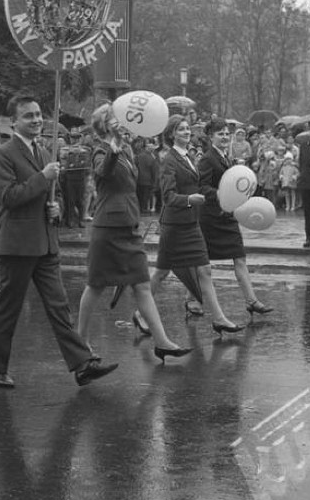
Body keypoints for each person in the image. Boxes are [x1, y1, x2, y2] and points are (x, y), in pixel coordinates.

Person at [0, 94, 118, 388]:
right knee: (9, 308)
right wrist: (44, 179)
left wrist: (55, 208)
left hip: (45, 241)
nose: (36, 120)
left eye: (37, 114)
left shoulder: (44, 152)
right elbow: (8, 197)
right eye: (28, 116)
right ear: (14, 122)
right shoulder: (3, 154)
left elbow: (48, 196)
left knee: (59, 306)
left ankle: (82, 364)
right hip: (17, 244)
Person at [76, 105, 190, 363]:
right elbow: (102, 171)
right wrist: (113, 150)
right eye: (115, 119)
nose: (122, 122)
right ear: (105, 124)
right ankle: (80, 340)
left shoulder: (128, 149)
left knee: (142, 284)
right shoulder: (101, 149)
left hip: (129, 225)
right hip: (108, 227)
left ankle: (161, 341)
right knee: (95, 285)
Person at [135, 115, 243, 336]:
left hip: (191, 224)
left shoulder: (188, 156)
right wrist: (189, 199)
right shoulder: (168, 159)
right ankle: (139, 314)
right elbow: (167, 196)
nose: (186, 132)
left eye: (187, 129)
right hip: (174, 225)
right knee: (162, 273)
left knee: (205, 270)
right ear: (172, 134)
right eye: (181, 129)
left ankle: (220, 319)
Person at [197, 118, 273, 318]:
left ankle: (252, 300)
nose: (224, 137)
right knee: (203, 263)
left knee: (239, 257)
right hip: (211, 218)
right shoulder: (207, 158)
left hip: (227, 217)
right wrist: (220, 194)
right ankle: (192, 301)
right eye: (219, 133)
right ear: (211, 136)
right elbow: (202, 187)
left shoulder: (226, 157)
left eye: (226, 134)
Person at [134, 138, 159, 214]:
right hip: (148, 181)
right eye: (150, 147)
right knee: (146, 197)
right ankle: (144, 210)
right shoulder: (152, 158)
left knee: (139, 196)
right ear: (147, 148)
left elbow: (135, 167)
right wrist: (155, 183)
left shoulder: (138, 156)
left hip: (138, 180)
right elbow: (154, 171)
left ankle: (140, 209)